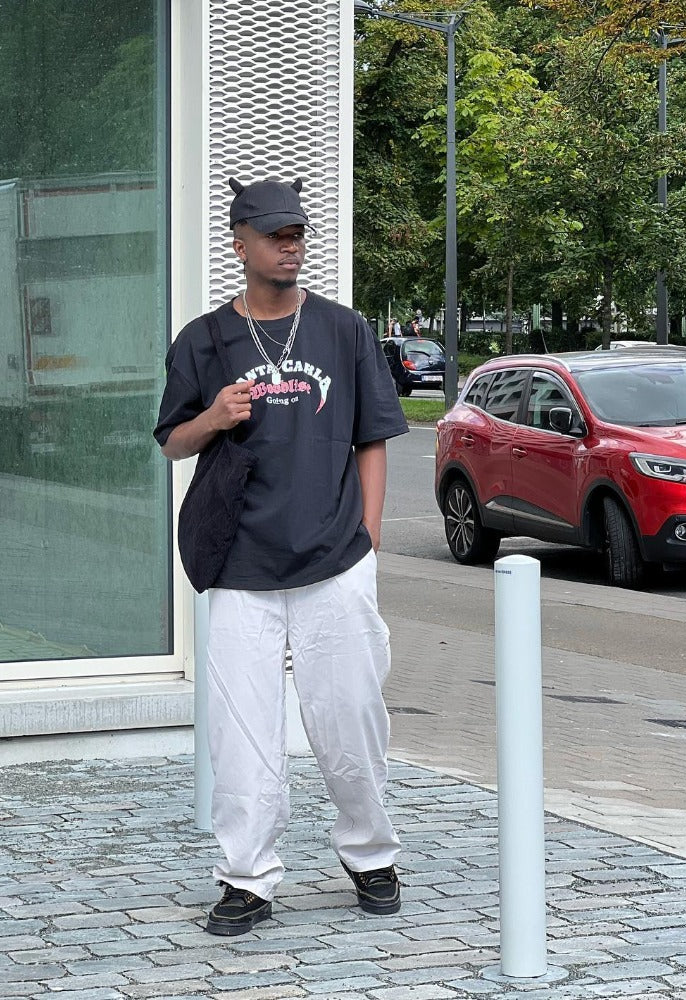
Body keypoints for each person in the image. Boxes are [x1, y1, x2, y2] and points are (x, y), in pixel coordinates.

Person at [153, 176, 408, 936]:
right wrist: (214, 416)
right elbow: (171, 442)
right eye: (274, 234)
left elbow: (373, 438)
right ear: (240, 243)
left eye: (297, 231)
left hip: (336, 560)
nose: (291, 244)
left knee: (350, 719)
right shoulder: (203, 340)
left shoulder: (343, 329)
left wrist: (367, 540)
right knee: (243, 733)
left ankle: (371, 856)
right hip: (239, 566)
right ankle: (247, 880)